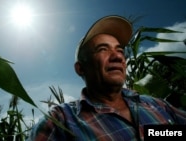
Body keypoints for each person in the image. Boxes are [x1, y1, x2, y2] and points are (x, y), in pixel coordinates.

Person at [27, 15, 186, 141]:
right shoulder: (60, 122)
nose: (117, 56)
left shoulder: (157, 106)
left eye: (120, 50)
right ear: (80, 68)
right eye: (103, 49)